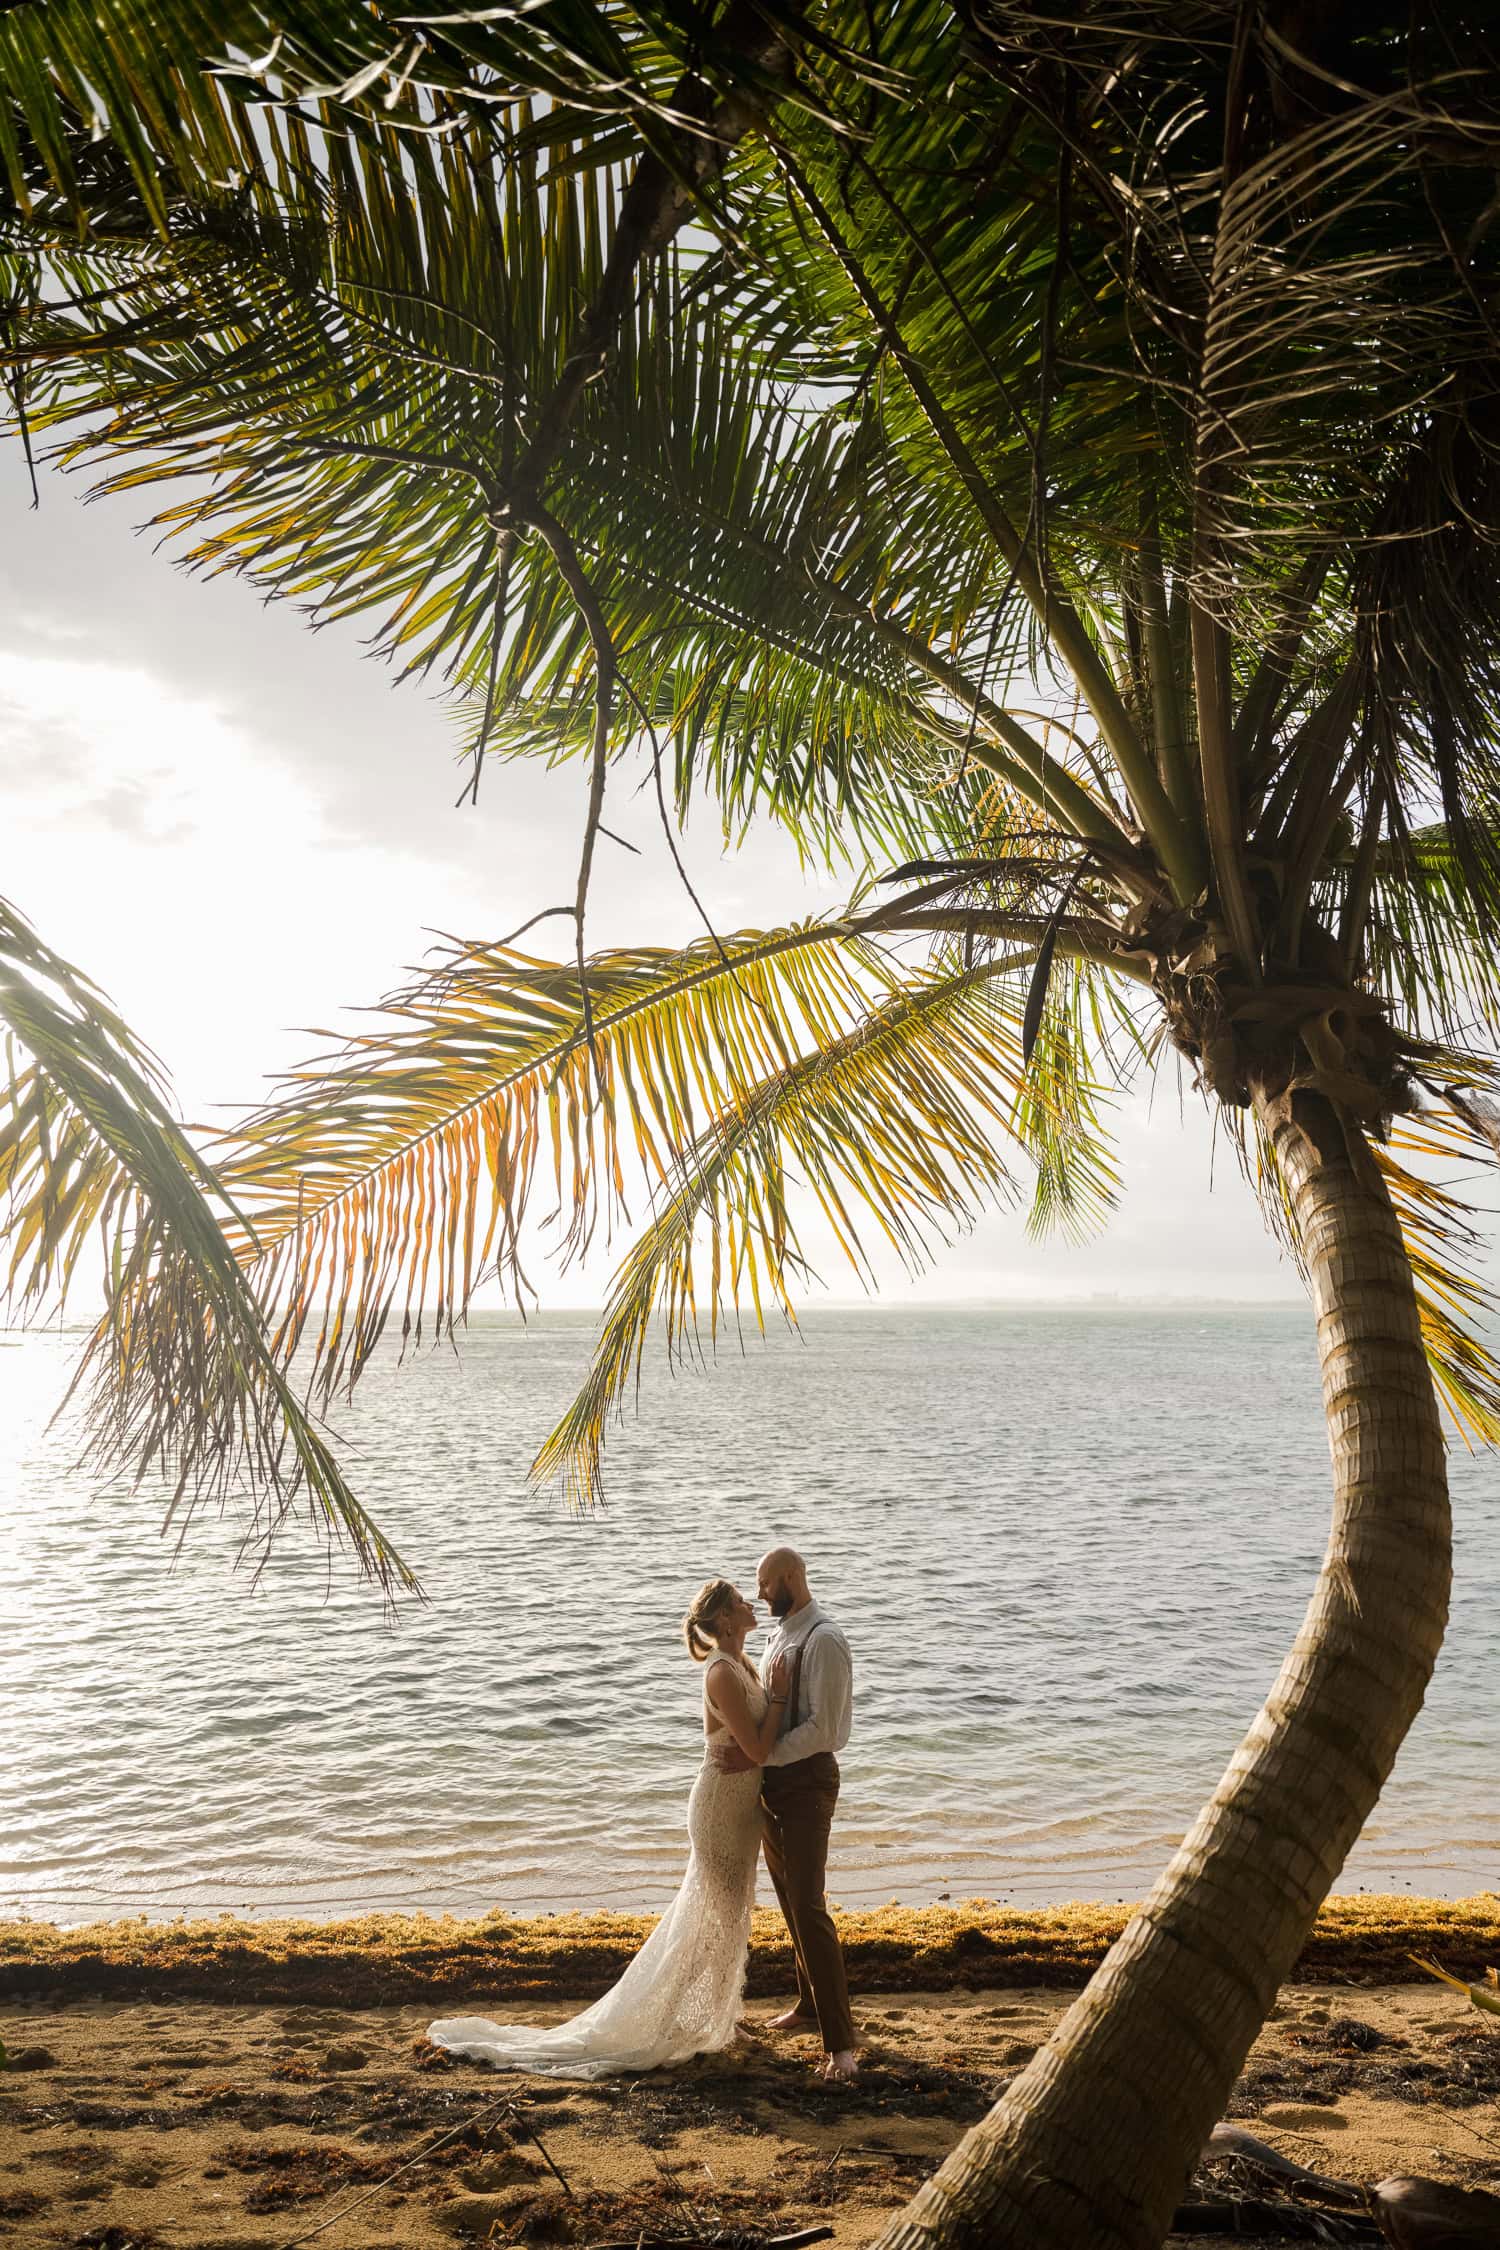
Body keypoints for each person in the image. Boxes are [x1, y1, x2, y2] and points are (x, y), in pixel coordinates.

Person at [426, 1578, 789, 2077]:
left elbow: (751, 1747)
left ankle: (720, 2014)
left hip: (741, 1806)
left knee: (728, 1913)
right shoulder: (721, 1671)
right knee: (711, 1914)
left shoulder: (743, 1663)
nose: (752, 1603)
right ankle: (679, 2016)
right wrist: (783, 1703)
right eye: (742, 1601)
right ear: (725, 1619)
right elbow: (756, 1749)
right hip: (720, 1807)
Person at [756, 1545, 858, 2081]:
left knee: (809, 1906)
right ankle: (809, 2004)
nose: (761, 1593)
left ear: (793, 1576)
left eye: (768, 1583)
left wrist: (763, 1754)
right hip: (772, 1786)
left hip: (809, 1785)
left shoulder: (825, 1639)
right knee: (789, 1903)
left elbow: (827, 1731)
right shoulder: (779, 1634)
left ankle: (841, 2045)